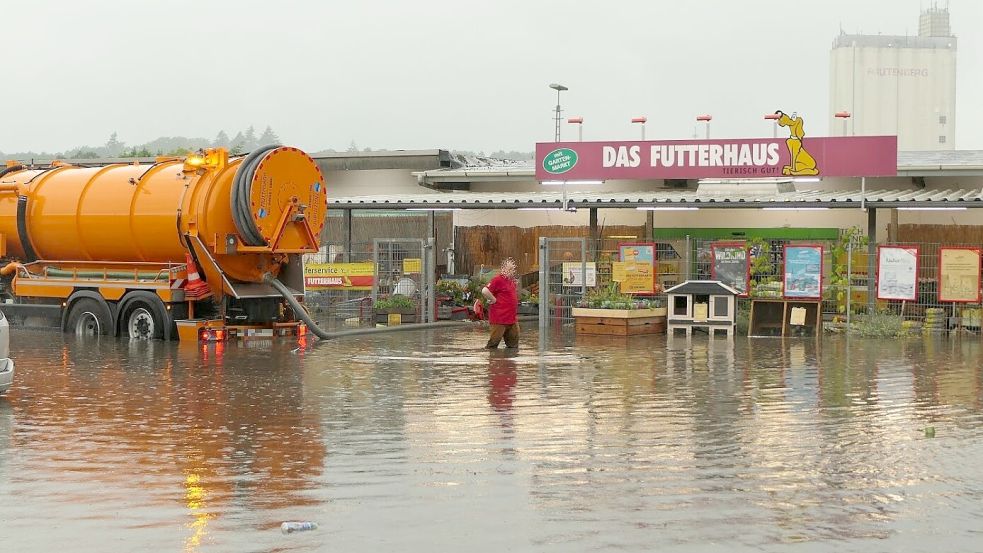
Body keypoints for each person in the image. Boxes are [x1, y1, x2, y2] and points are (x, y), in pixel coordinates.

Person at [482, 257, 519, 349]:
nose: (512, 271)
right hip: (499, 319)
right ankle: (493, 361)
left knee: (514, 344)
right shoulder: (497, 280)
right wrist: (493, 299)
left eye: (513, 269)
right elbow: (485, 290)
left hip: (512, 319)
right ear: (503, 269)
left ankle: (510, 361)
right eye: (510, 269)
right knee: (493, 343)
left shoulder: (512, 282)